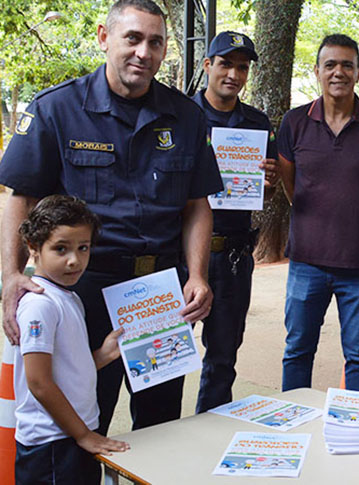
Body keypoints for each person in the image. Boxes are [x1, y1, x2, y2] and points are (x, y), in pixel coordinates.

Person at [0, 0, 222, 435]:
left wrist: (197, 275)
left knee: (161, 424)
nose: (144, 52)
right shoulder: (56, 110)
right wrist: (10, 274)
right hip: (81, 290)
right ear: (104, 37)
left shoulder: (187, 117)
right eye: (133, 38)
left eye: (155, 42)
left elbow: (197, 204)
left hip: (157, 292)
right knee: (81, 418)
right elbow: (19, 195)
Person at [276, 34, 359, 391]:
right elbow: (290, 185)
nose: (338, 72)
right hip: (306, 262)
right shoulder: (294, 122)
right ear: (317, 71)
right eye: (330, 64)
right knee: (298, 350)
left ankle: (356, 432)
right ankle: (294, 430)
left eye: (347, 64)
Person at [191, 31, 279, 413]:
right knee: (166, 360)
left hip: (232, 255)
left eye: (242, 67)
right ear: (208, 65)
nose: (233, 74)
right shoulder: (180, 115)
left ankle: (208, 434)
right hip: (179, 254)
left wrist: (269, 183)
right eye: (225, 63)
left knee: (223, 358)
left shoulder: (258, 124)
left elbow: (266, 196)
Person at [14, 195, 130, 484]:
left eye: (83, 248)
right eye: (61, 249)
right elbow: (39, 382)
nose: (74, 260)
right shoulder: (40, 304)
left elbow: (66, 369)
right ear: (34, 248)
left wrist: (103, 355)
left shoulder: (68, 296)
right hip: (51, 445)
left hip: (73, 437)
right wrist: (84, 435)